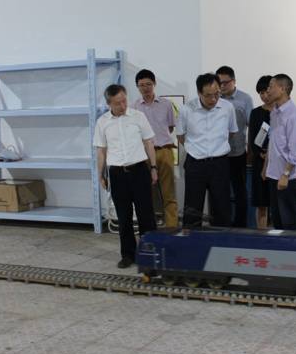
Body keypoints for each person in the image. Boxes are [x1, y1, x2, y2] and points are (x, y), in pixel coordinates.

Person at [93, 84, 159, 268]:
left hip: (139, 171)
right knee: (123, 216)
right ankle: (128, 254)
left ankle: (149, 254)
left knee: (146, 215)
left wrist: (154, 167)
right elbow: (101, 150)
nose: (122, 106)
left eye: (124, 101)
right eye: (117, 103)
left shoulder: (138, 116)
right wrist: (101, 175)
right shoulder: (102, 122)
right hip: (117, 174)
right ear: (108, 104)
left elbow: (148, 143)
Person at [177, 73, 238, 228]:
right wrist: (196, 148)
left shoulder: (227, 108)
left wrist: (216, 146)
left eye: (217, 94)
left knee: (222, 207)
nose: (213, 99)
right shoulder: (186, 109)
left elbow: (231, 132)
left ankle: (222, 239)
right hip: (195, 164)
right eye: (208, 95)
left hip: (219, 164)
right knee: (193, 208)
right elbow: (180, 135)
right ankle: (192, 239)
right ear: (199, 93)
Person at [130, 69, 178, 228]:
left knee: (169, 194)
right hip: (143, 154)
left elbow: (170, 127)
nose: (146, 88)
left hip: (164, 151)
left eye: (149, 84)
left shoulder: (166, 104)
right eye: (142, 85)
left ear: (155, 84)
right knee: (146, 195)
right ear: (137, 87)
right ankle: (149, 230)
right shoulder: (133, 108)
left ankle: (172, 229)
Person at [263, 74, 296, 230]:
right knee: (278, 222)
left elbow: (295, 150)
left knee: (290, 223)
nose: (268, 90)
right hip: (274, 175)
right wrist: (266, 167)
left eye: (271, 86)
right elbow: (273, 142)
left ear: (282, 89)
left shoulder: (293, 115)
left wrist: (285, 175)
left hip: (287, 178)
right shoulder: (274, 112)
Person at [216, 66, 253, 228]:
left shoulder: (245, 99)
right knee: (220, 192)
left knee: (240, 192)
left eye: (226, 82)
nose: (222, 86)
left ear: (234, 81)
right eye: (220, 83)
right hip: (218, 154)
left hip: (238, 153)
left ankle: (240, 224)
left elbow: (251, 126)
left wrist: (250, 152)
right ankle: (224, 223)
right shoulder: (215, 99)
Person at [248, 75, 274, 230]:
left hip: (277, 162)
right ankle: (261, 232)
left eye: (267, 92)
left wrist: (271, 155)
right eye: (261, 93)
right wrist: (261, 154)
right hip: (260, 160)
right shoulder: (256, 113)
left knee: (277, 201)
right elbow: (252, 138)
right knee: (261, 201)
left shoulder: (280, 111)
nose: (264, 96)